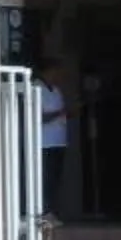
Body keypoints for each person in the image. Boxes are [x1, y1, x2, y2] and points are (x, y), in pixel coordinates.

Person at [37, 68, 70, 217]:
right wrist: (59, 113)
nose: (57, 76)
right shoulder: (37, 89)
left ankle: (52, 212)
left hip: (59, 141)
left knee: (55, 179)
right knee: (46, 179)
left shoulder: (56, 90)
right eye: (55, 72)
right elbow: (40, 117)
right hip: (45, 143)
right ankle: (44, 212)